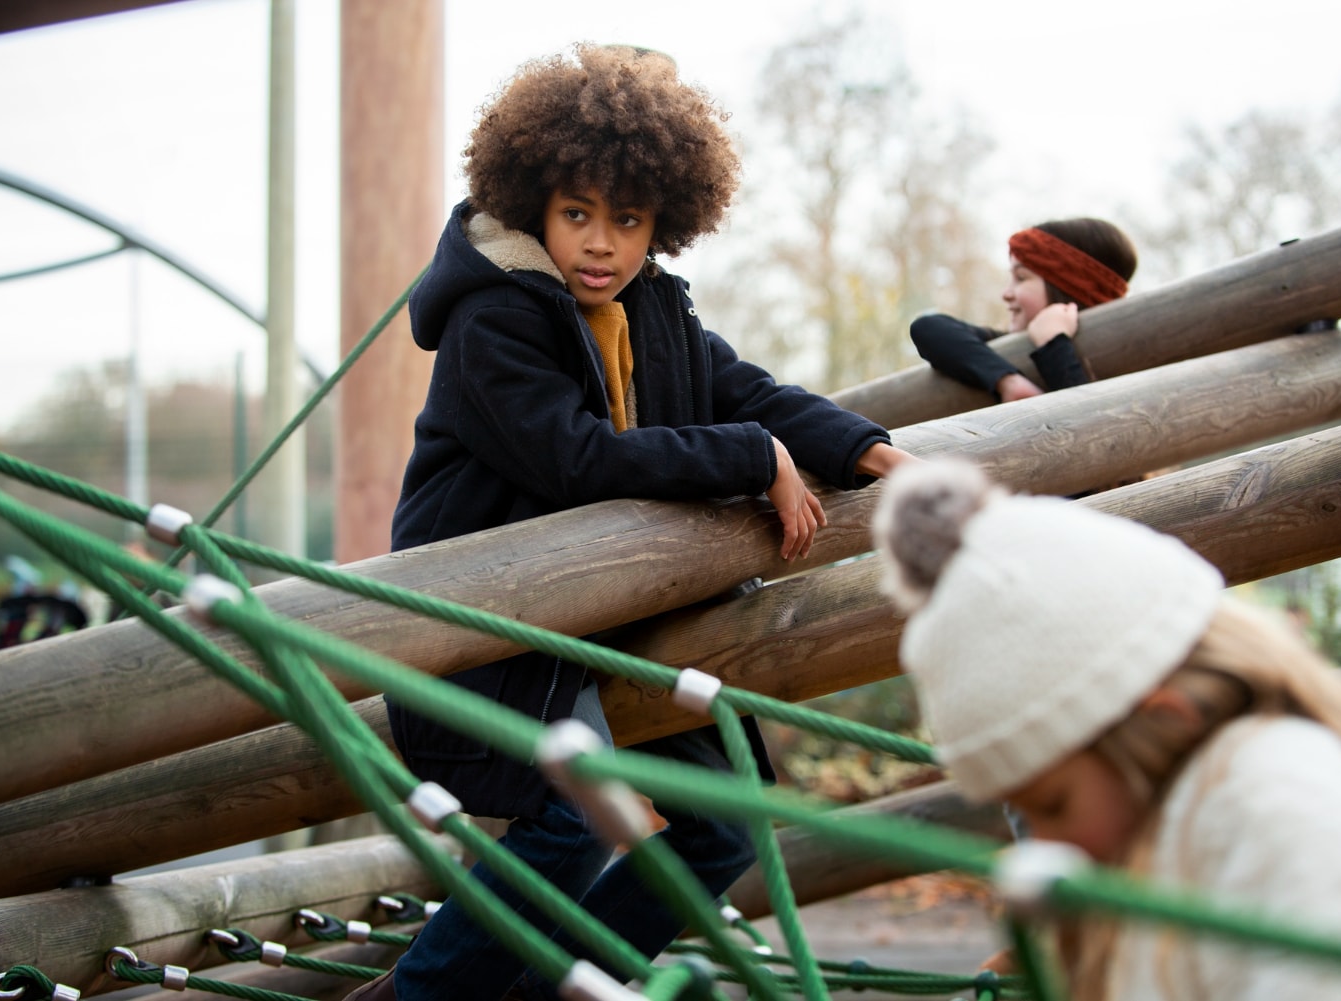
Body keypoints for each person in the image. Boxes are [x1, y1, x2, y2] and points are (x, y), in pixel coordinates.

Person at [349, 44, 916, 1001]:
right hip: (496, 618)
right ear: (536, 206)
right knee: (569, 817)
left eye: (627, 219)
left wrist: (875, 454)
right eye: (577, 215)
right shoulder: (494, 320)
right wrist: (750, 456)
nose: (601, 244)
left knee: (725, 826)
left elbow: (745, 391)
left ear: (664, 222)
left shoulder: (653, 306)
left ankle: (564, 986)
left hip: (609, 621)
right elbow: (575, 460)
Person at [871, 459, 1341, 1001]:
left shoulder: (1277, 808)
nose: (1045, 845)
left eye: (1055, 806)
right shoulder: (1170, 840)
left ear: (1164, 721)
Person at [909, 218, 1137, 404]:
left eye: (1021, 278)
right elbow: (929, 329)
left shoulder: (1130, 366)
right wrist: (1009, 383)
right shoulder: (1008, 349)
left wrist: (1054, 345)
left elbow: (1094, 431)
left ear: (1068, 289)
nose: (1006, 293)